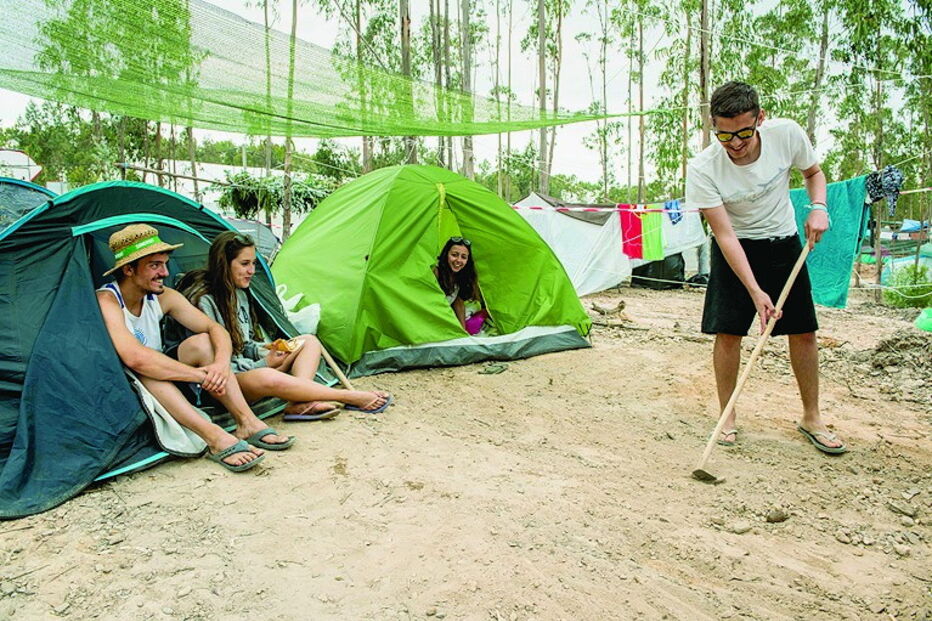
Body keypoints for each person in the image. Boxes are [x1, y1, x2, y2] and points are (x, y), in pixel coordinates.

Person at [685, 81, 846, 454]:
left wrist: (818, 208)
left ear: (760, 118)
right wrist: (755, 291)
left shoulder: (786, 134)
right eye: (724, 135)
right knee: (727, 333)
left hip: (783, 242)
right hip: (736, 248)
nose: (736, 144)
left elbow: (813, 173)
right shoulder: (704, 167)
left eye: (743, 132)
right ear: (714, 126)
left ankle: (812, 416)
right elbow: (724, 235)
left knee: (803, 330)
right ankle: (727, 414)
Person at [96, 224, 295, 473]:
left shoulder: (162, 296)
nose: (165, 273)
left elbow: (215, 330)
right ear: (128, 269)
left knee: (202, 341)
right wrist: (202, 376)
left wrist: (221, 366)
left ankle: (247, 422)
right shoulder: (107, 300)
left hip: (166, 373)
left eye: (165, 264)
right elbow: (135, 358)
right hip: (128, 382)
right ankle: (216, 438)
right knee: (147, 370)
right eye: (154, 265)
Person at [178, 231, 392, 419]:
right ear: (224, 263)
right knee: (268, 375)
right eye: (245, 264)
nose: (252, 270)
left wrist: (267, 351)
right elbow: (218, 361)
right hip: (224, 383)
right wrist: (263, 364)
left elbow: (244, 344)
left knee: (308, 341)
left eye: (253, 263)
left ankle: (299, 403)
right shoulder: (203, 301)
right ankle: (348, 396)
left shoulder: (240, 294)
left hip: (249, 369)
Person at [433, 237, 488, 335]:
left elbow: (458, 303)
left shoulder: (460, 277)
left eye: (463, 257)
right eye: (454, 255)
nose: (458, 260)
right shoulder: (436, 272)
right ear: (446, 255)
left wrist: (463, 332)